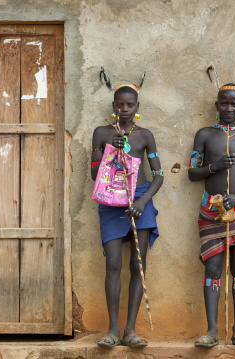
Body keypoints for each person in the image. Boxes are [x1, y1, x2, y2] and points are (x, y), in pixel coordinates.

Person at [188, 83, 235, 347]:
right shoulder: (205, 135)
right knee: (213, 268)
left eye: (234, 104)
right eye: (224, 103)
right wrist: (214, 167)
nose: (229, 108)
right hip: (211, 211)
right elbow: (191, 173)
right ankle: (211, 331)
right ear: (216, 105)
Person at [91, 83, 163, 348]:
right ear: (113, 106)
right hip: (111, 203)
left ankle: (130, 330)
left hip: (140, 202)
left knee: (137, 266)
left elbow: (159, 175)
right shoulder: (101, 134)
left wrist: (143, 201)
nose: (124, 109)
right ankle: (112, 330)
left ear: (137, 107)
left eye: (129, 105)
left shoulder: (145, 136)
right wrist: (111, 151)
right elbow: (94, 175)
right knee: (113, 265)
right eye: (120, 105)